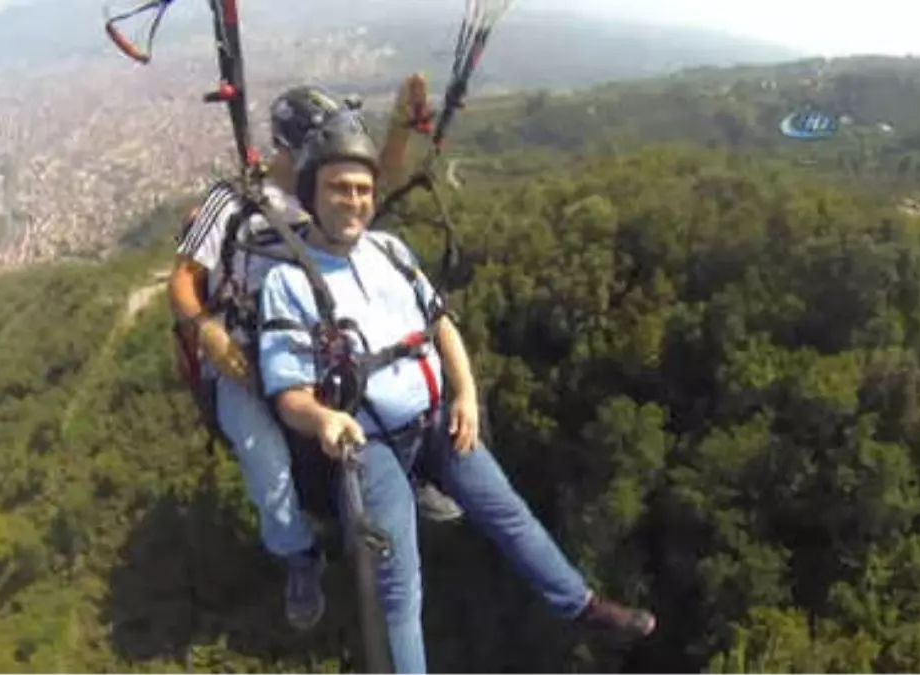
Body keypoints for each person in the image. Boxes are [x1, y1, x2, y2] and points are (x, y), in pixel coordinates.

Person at [257, 110, 658, 673]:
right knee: (400, 585)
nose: (354, 201)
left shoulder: (391, 252)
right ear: (311, 193)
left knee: (508, 513)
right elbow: (287, 393)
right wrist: (323, 421)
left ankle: (582, 607)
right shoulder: (290, 281)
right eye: (338, 188)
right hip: (368, 444)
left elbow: (441, 324)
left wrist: (466, 394)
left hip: (436, 421)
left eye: (363, 189)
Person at [166, 76, 462, 632]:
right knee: (266, 458)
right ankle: (299, 557)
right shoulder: (232, 200)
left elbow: (385, 180)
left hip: (315, 331)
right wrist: (210, 333)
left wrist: (400, 126)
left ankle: (412, 471)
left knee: (388, 383)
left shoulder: (317, 191)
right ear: (290, 146)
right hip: (242, 349)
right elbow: (182, 280)